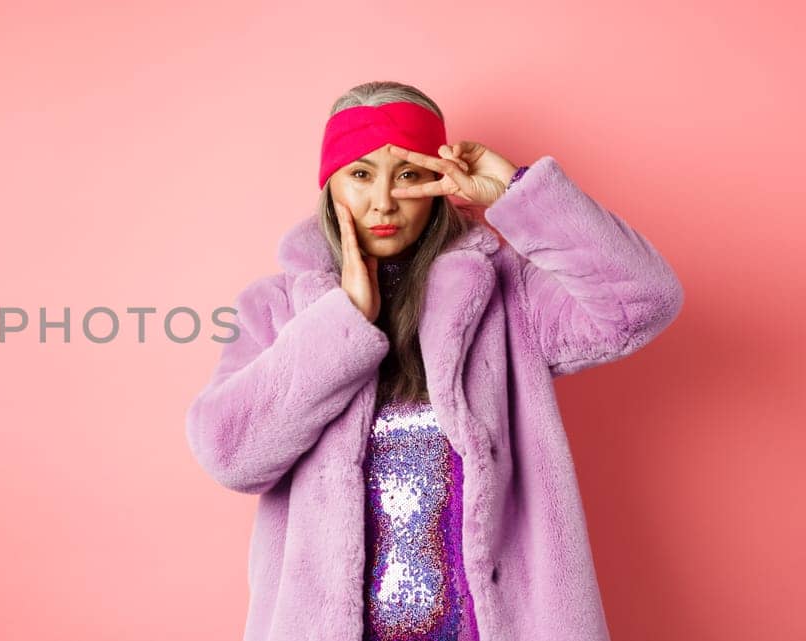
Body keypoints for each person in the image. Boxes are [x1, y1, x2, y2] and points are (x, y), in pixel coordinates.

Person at [184, 81, 684, 641]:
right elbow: (228, 453)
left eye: (407, 174)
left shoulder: (505, 294)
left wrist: (518, 195)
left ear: (438, 183)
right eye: (360, 174)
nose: (383, 202)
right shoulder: (276, 310)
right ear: (329, 188)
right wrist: (344, 319)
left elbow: (643, 301)